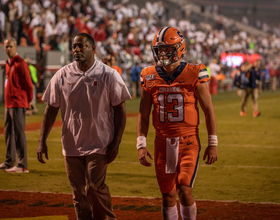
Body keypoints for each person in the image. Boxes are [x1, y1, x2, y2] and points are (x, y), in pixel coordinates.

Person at [37, 33, 131, 220]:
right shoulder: (62, 74)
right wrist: (42, 141)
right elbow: (51, 109)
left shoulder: (108, 74)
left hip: (100, 142)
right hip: (71, 144)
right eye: (74, 47)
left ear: (94, 49)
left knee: (95, 188)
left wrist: (116, 141)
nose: (77, 50)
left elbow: (120, 110)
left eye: (82, 46)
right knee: (78, 193)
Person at [136, 27, 218, 220]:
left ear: (180, 48)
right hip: (162, 143)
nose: (162, 54)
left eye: (167, 49)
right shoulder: (148, 75)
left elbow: (208, 110)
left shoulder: (195, 72)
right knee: (167, 194)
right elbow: (144, 112)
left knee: (184, 189)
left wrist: (212, 143)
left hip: (188, 142)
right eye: (160, 50)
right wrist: (141, 144)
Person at [0, 38, 33, 173]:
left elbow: (28, 84)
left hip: (18, 103)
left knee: (19, 133)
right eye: (6, 47)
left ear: (15, 47)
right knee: (8, 133)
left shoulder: (20, 63)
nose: (8, 49)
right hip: (9, 105)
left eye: (11, 46)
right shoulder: (8, 64)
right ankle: (9, 161)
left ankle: (22, 164)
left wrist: (29, 101)